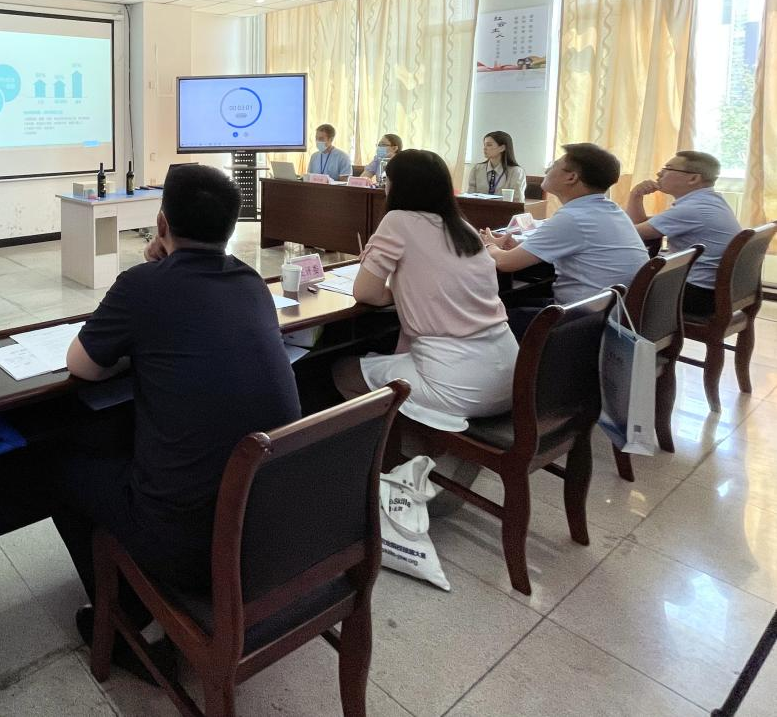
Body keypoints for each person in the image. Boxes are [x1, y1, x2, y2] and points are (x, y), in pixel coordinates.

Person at [54, 163, 301, 653]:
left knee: (63, 470)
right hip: (274, 527)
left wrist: (152, 270)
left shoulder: (144, 285)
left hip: (192, 549)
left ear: (162, 224)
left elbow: (81, 365)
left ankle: (124, 620)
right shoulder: (252, 283)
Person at [337, 150, 517, 423]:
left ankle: (391, 453)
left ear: (400, 187)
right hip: (510, 376)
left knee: (343, 371)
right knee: (380, 356)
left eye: (388, 180)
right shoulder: (464, 229)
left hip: (458, 383)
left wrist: (399, 292)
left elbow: (366, 293)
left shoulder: (398, 220)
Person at [482, 143, 648, 326]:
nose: (547, 169)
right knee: (512, 300)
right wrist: (520, 249)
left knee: (488, 317)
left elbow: (506, 263)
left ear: (571, 177)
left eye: (553, 165)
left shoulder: (573, 217)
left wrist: (489, 245)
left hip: (584, 324)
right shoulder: (610, 209)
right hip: (613, 313)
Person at [625, 150, 741, 315]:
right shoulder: (708, 201)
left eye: (668, 168)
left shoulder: (692, 209)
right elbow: (641, 228)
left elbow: (630, 234)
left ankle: (630, 338)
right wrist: (636, 196)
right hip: (713, 291)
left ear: (693, 178)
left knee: (616, 287)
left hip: (697, 295)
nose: (659, 173)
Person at [465, 130, 527, 199]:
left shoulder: (516, 172)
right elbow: (469, 197)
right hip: (478, 208)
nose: (484, 148)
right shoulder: (477, 169)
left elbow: (517, 200)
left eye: (489, 145)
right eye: (484, 145)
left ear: (502, 148)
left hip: (504, 209)